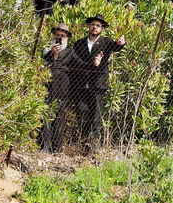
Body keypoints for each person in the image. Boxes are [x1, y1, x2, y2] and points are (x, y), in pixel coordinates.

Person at [62, 15, 125, 145]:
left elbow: (116, 47)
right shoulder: (79, 43)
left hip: (97, 82)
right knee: (82, 110)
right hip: (81, 82)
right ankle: (83, 139)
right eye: (93, 25)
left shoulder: (106, 42)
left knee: (96, 112)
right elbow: (75, 61)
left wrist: (121, 43)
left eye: (98, 25)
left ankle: (94, 142)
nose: (95, 27)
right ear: (89, 26)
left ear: (102, 28)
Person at [37, 22, 73, 153]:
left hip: (63, 87)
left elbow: (81, 65)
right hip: (48, 84)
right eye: (57, 35)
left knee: (60, 115)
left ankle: (57, 147)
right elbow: (44, 61)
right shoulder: (46, 49)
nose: (60, 38)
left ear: (67, 37)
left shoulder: (71, 52)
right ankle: (44, 145)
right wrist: (53, 54)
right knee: (46, 112)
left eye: (62, 36)